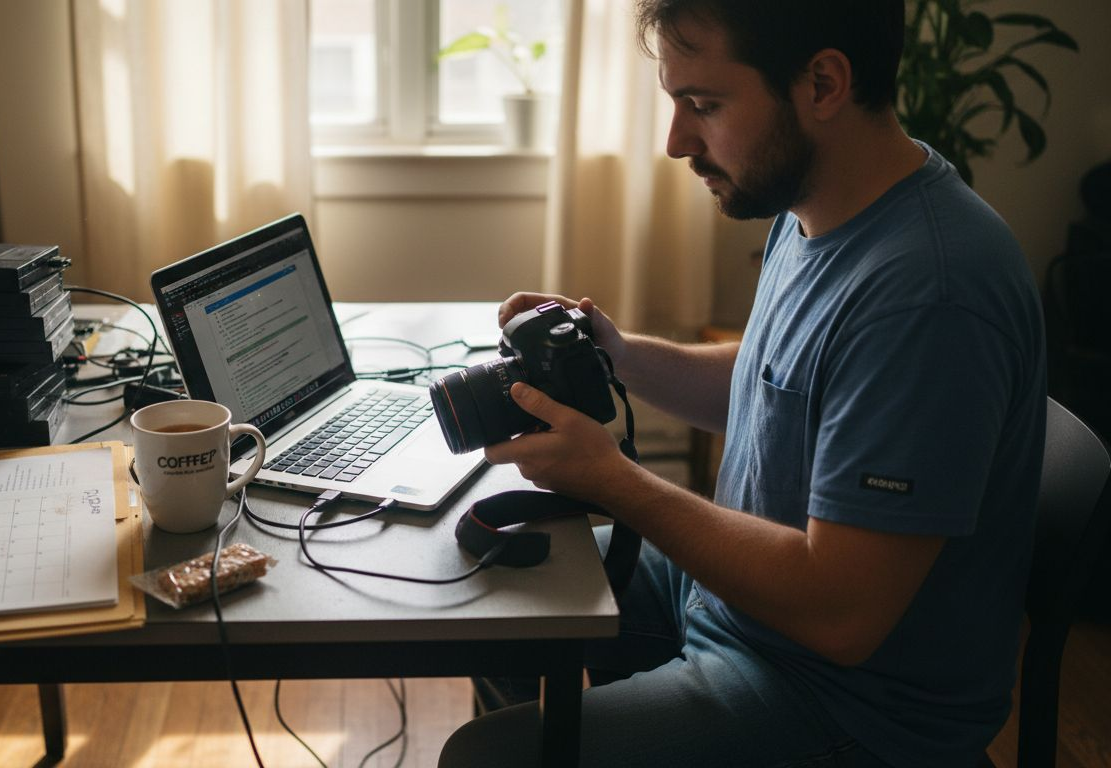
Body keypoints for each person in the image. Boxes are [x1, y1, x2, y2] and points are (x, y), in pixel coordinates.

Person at [438, 1, 1046, 766]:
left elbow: (842, 614)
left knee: (487, 759)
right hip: (742, 613)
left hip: (843, 700)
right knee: (496, 607)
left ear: (823, 84)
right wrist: (618, 353)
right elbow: (772, 379)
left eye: (705, 105)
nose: (675, 142)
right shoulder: (819, 204)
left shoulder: (931, 293)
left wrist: (614, 479)